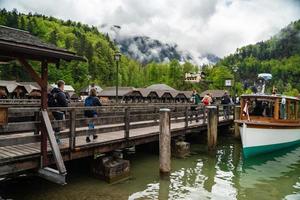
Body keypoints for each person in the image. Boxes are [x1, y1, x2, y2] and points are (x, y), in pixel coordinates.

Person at [48, 80, 69, 144]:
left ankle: (55, 139)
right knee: (58, 126)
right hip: (59, 111)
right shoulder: (60, 93)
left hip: (54, 110)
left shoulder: (53, 92)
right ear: (62, 85)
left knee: (57, 125)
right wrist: (67, 102)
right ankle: (57, 140)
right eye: (63, 86)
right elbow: (65, 104)